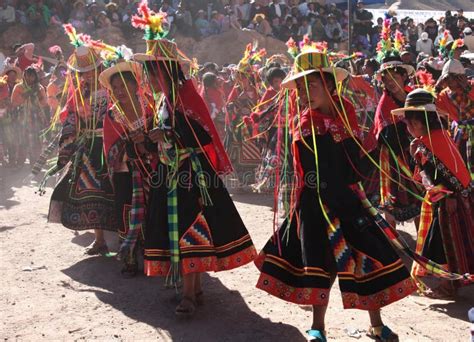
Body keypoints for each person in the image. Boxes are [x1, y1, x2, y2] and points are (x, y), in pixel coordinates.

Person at [255, 48, 416, 342]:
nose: (305, 93)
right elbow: (315, 171)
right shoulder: (304, 125)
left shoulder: (347, 112)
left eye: (311, 85)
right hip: (317, 203)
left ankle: (376, 324)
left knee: (366, 257)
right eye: (301, 87)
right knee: (320, 264)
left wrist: (374, 153)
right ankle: (318, 326)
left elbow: (354, 160)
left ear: (329, 83)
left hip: (349, 199)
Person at [131, 6, 256, 317]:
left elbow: (202, 135)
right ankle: (194, 288)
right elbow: (162, 136)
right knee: (177, 231)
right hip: (168, 174)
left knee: (190, 229)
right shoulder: (163, 100)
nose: (151, 77)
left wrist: (169, 133)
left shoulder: (187, 95)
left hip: (190, 175)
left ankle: (188, 294)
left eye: (155, 71)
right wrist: (147, 140)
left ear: (168, 71)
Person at [392, 88, 474, 298]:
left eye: (409, 123)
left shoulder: (426, 145)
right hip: (460, 197)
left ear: (418, 123)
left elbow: (437, 176)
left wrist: (448, 197)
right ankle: (451, 283)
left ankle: (448, 285)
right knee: (453, 243)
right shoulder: (440, 137)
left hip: (449, 202)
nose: (408, 128)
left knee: (441, 246)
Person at [46, 28, 117, 255]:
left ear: (99, 68)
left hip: (112, 146)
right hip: (88, 148)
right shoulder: (80, 93)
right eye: (83, 72)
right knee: (90, 192)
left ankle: (126, 240)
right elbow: (71, 118)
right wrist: (69, 139)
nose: (87, 75)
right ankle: (99, 240)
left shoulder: (113, 90)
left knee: (118, 190)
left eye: (90, 70)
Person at [436, 59, 474, 180]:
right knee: (462, 161)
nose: (451, 81)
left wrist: (468, 89)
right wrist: (436, 88)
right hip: (459, 134)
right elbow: (434, 107)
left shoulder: (472, 86)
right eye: (448, 78)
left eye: (455, 77)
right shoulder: (443, 95)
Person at [11, 66, 48, 166]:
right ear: (24, 75)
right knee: (22, 140)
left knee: (36, 140)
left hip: (35, 117)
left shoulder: (40, 88)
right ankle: (20, 163)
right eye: (27, 76)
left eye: (32, 76)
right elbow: (14, 103)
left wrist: (36, 96)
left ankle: (34, 163)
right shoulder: (18, 87)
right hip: (21, 118)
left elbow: (44, 103)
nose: (29, 78)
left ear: (35, 77)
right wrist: (27, 94)